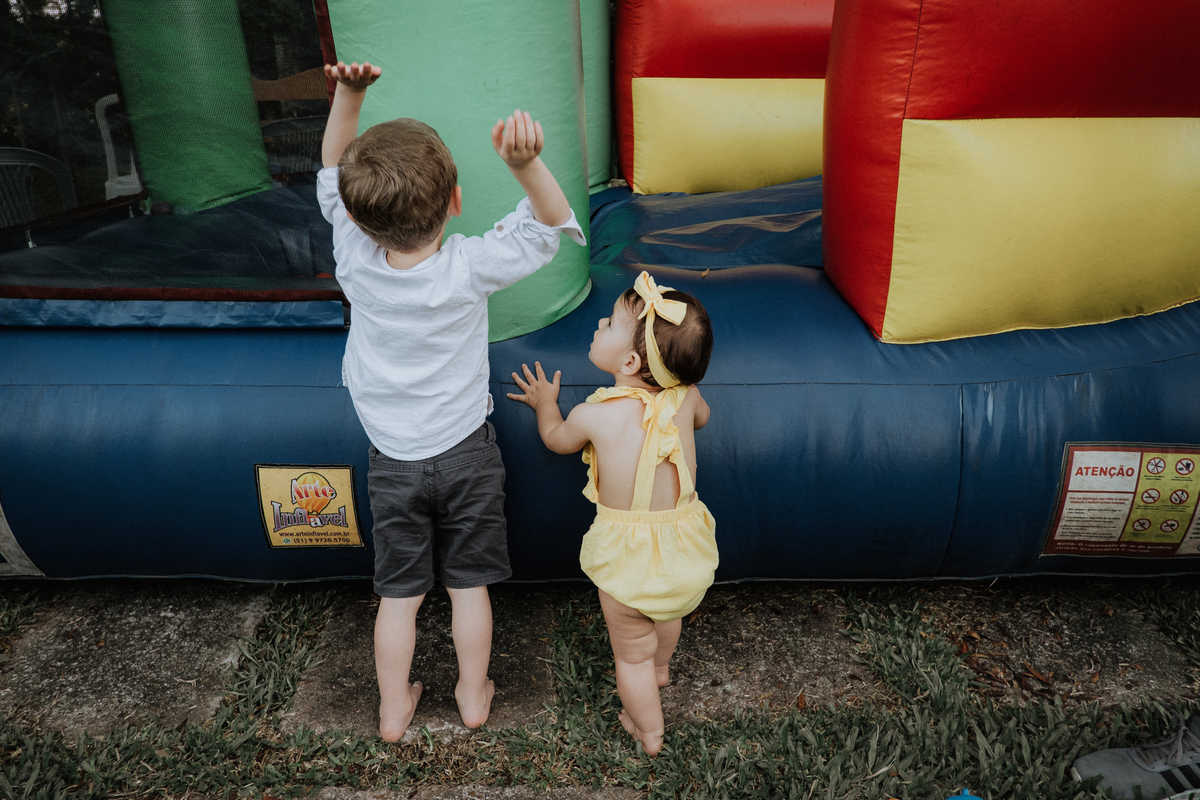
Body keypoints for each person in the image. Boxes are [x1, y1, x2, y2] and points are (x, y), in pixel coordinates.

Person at [318, 61, 586, 741]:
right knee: (470, 586)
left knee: (399, 595)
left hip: (393, 458)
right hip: (466, 451)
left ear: (355, 216)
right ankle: (472, 694)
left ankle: (392, 708)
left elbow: (330, 170)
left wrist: (349, 94)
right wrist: (525, 164)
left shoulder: (351, 254)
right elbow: (548, 227)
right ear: (457, 201)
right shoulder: (467, 267)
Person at [507, 271, 717, 756]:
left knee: (631, 656)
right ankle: (662, 667)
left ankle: (649, 729)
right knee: (666, 611)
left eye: (609, 324)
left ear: (629, 362)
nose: (599, 323)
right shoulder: (687, 398)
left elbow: (556, 439)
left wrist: (545, 404)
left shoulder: (593, 415)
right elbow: (703, 417)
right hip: (685, 548)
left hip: (629, 558)